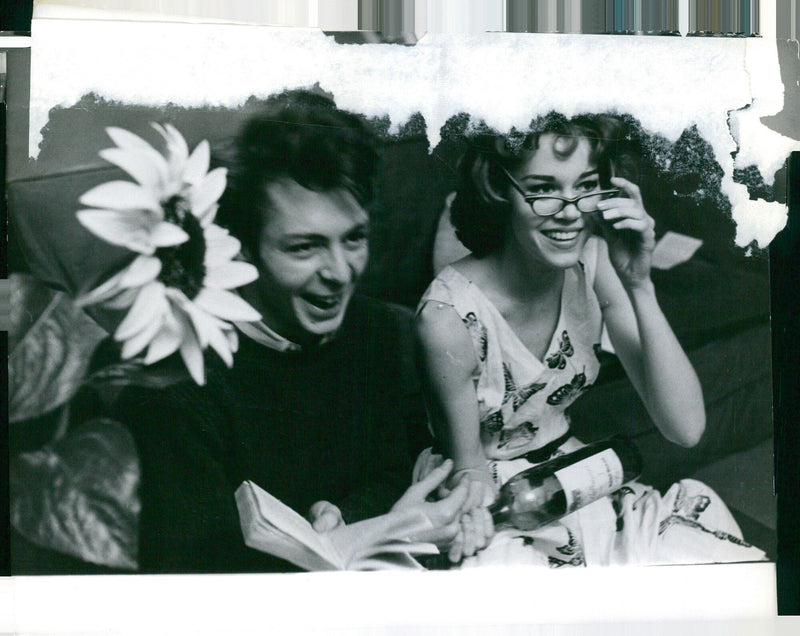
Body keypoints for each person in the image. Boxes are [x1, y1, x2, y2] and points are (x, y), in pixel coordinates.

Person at [81, 90, 473, 573]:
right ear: (241, 249)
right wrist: (361, 539)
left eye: (353, 238)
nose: (340, 272)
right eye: (304, 247)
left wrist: (347, 518)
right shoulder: (174, 382)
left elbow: (396, 467)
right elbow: (194, 584)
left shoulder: (383, 331)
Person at [414, 113, 766, 566]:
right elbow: (471, 474)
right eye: (542, 189)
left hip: (574, 476)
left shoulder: (593, 261)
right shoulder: (446, 318)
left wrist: (640, 284)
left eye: (585, 186)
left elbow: (686, 427)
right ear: (499, 190)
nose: (570, 211)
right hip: (486, 499)